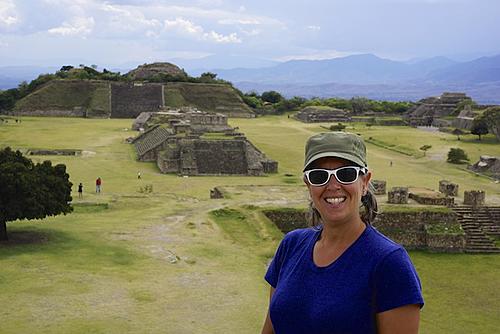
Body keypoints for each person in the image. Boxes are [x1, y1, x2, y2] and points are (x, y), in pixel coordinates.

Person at [261, 132, 424, 334]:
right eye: (319, 176)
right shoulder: (291, 245)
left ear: (364, 182)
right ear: (308, 185)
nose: (333, 186)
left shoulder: (389, 263)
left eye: (345, 174)